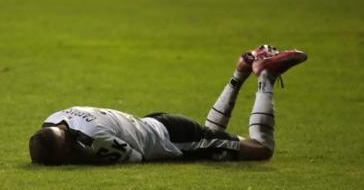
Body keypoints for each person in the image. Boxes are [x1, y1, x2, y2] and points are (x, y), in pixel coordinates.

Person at [29, 45, 308, 165]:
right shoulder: (53, 118)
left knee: (261, 151)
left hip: (172, 139)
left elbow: (135, 159)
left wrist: (83, 160)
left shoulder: (95, 140)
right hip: (157, 123)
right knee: (210, 135)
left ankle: (266, 75)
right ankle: (241, 70)